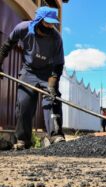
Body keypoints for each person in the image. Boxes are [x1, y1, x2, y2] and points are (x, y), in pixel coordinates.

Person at [0, 7, 65, 149]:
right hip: (28, 71)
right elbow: (7, 45)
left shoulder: (56, 38)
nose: (50, 26)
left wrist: (52, 85)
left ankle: (56, 136)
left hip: (47, 73)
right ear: (39, 20)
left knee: (52, 101)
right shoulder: (22, 28)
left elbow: (59, 64)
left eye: (52, 23)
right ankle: (23, 140)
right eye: (47, 22)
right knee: (24, 103)